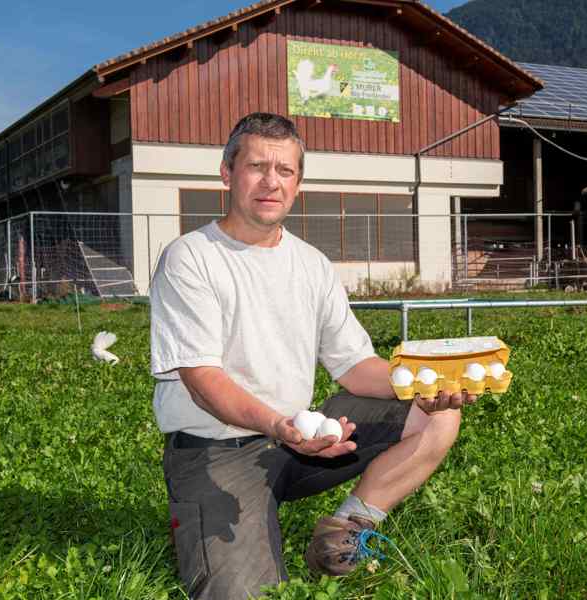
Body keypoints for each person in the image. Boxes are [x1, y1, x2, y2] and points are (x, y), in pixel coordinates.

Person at [149, 112, 475, 600]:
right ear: (227, 173)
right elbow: (202, 380)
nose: (270, 182)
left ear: (298, 183)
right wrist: (278, 426)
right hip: (217, 451)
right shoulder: (191, 258)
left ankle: (344, 531)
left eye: (285, 171)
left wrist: (425, 380)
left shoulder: (311, 264)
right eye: (257, 166)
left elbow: (354, 368)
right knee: (242, 595)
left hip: (302, 437)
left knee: (435, 418)